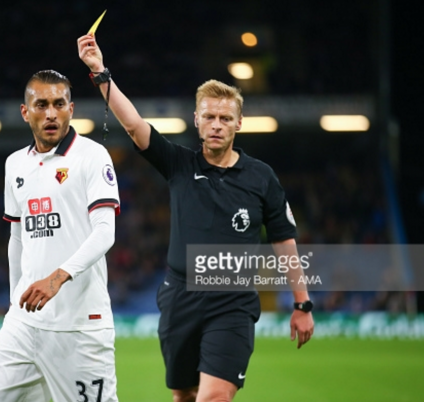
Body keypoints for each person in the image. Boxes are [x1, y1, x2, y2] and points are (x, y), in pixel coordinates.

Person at [78, 35, 314, 401]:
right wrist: (100, 73)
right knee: (184, 396)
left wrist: (302, 303)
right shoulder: (179, 164)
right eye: (209, 117)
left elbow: (283, 238)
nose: (216, 124)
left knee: (213, 397)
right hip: (180, 298)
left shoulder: (261, 177)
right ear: (197, 120)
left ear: (239, 124)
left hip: (233, 301)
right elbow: (134, 125)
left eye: (225, 118)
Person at [0, 70, 121, 402]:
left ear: (71, 108)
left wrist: (56, 278)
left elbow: (105, 233)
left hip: (81, 328)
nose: (51, 113)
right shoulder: (15, 165)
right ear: (25, 112)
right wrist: (16, 301)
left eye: (59, 104)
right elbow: (17, 237)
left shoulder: (92, 156)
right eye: (41, 104)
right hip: (24, 328)